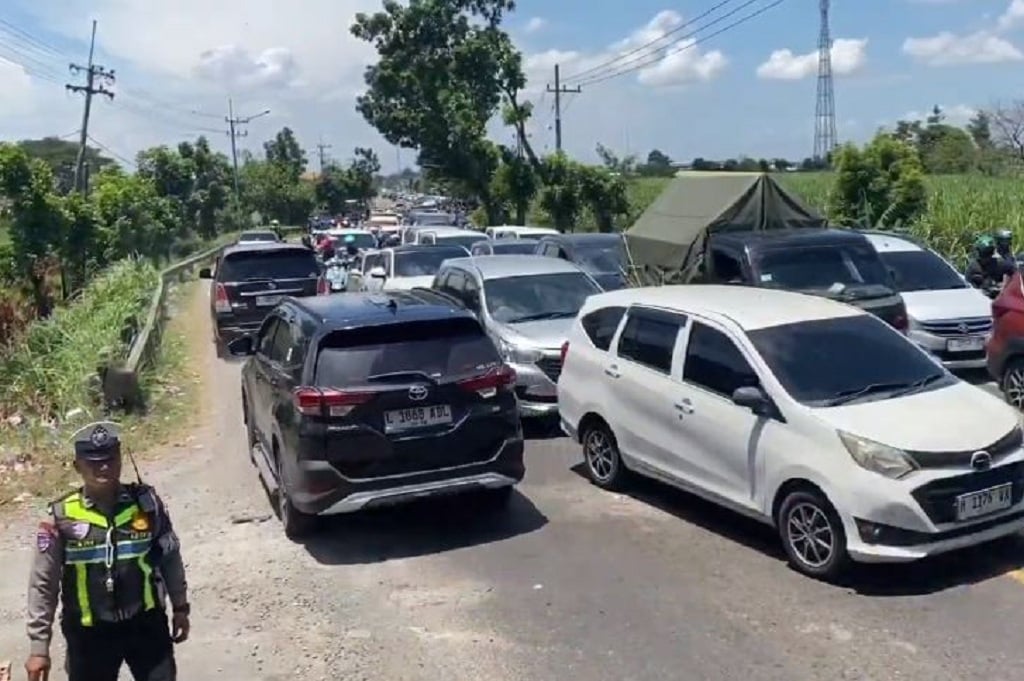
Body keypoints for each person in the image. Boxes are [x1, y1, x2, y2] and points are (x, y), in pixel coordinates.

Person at [26, 422, 190, 681]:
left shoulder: (146, 505)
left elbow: (170, 557)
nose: (103, 467)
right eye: (93, 461)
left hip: (146, 627)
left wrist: (181, 607)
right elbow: (43, 583)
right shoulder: (60, 517)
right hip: (89, 635)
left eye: (110, 459)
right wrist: (39, 648)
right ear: (77, 465)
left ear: (121, 459)